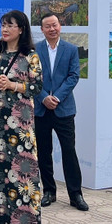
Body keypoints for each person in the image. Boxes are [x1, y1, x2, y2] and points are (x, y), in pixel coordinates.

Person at [0, 9, 43, 224]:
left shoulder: (30, 57)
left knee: (21, 169)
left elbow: (36, 87)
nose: (5, 29)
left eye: (10, 25)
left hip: (21, 121)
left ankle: (22, 220)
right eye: (3, 25)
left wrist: (12, 85)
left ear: (21, 29)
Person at [34, 12, 87, 211]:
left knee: (69, 151)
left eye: (55, 25)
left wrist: (56, 97)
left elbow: (74, 76)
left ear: (60, 26)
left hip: (63, 109)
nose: (52, 29)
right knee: (44, 152)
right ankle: (49, 191)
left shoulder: (71, 49)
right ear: (42, 30)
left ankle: (76, 195)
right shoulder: (35, 49)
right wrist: (43, 98)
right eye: (47, 26)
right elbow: (32, 78)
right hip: (41, 109)